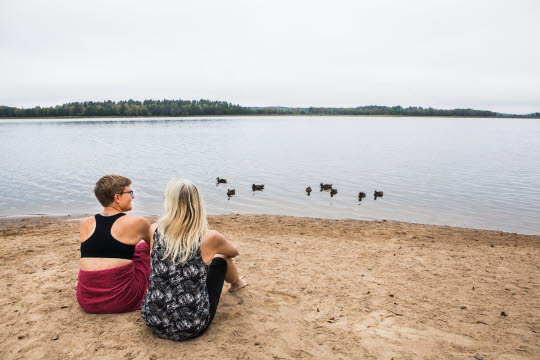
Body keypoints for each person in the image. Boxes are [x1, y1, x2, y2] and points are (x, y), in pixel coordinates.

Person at [142, 178, 247, 341]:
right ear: (197, 204)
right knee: (222, 258)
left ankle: (233, 281)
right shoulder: (209, 237)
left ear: (168, 202)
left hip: (154, 320)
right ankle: (236, 283)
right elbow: (234, 252)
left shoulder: (154, 230)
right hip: (191, 326)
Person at [77, 174, 151, 313]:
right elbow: (156, 247)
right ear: (117, 197)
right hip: (121, 299)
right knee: (145, 248)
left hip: (87, 300)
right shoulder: (137, 222)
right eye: (130, 193)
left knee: (129, 250)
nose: (132, 196)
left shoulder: (85, 223)